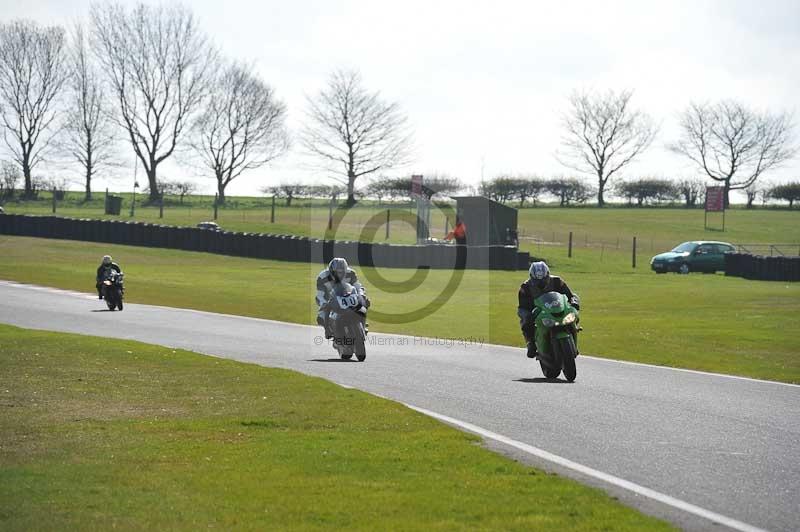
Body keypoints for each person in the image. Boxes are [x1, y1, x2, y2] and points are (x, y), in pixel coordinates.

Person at [517, 261, 579, 358]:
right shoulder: (525, 287)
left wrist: (574, 302)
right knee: (526, 319)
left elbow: (570, 295)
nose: (541, 284)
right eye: (537, 282)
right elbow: (523, 306)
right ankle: (530, 343)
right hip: (536, 311)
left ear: (548, 275)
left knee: (573, 312)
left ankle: (574, 329)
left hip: (557, 308)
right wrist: (529, 314)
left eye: (543, 280)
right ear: (532, 278)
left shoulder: (558, 281)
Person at [315, 257, 369, 338]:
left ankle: (363, 326)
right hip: (331, 300)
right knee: (321, 317)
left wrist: (361, 294)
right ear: (330, 271)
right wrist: (324, 303)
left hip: (348, 298)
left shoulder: (351, 273)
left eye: (341, 272)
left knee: (365, 303)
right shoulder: (322, 277)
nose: (338, 275)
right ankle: (328, 330)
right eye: (336, 272)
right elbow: (320, 295)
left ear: (345, 271)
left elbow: (358, 286)